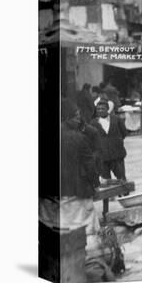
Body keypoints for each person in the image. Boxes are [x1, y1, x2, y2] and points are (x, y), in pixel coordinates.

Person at [40, 99, 101, 235]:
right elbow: (89, 164)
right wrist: (96, 184)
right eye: (76, 117)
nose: (79, 120)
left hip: (54, 196)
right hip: (78, 190)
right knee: (85, 228)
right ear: (66, 118)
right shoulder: (78, 138)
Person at [91, 99, 128, 182]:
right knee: (106, 182)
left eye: (102, 108)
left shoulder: (117, 120)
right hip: (102, 157)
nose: (100, 110)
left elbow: (124, 133)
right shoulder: (93, 123)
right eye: (98, 109)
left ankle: (125, 194)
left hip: (117, 155)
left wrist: (115, 142)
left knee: (122, 179)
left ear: (107, 109)